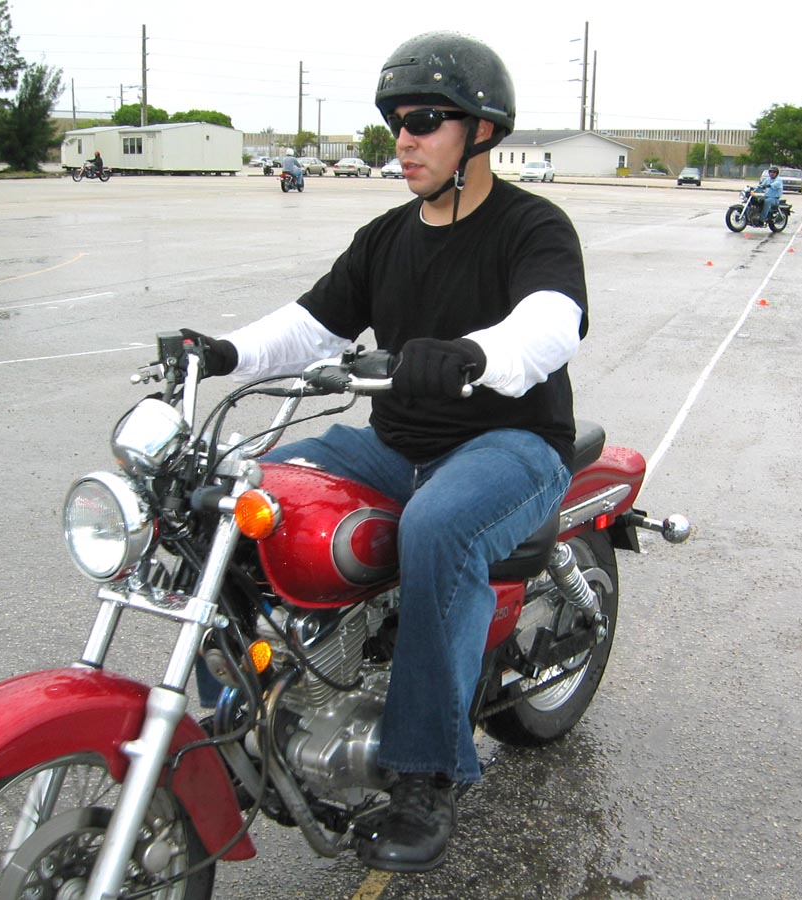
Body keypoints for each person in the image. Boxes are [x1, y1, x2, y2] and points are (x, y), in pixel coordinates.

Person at [183, 30, 588, 872]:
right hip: (394, 444)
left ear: (481, 130)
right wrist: (221, 352)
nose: (404, 137)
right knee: (237, 492)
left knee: (435, 528)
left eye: (425, 119)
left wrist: (475, 355)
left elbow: (552, 322)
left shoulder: (532, 225)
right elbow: (312, 324)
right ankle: (248, 704)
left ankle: (424, 772)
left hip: (511, 442)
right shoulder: (386, 236)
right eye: (396, 121)